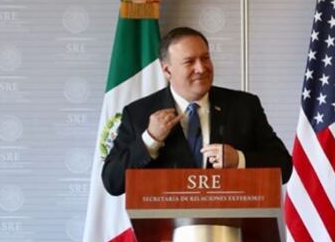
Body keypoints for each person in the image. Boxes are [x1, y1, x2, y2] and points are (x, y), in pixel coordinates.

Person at [102, 27, 292, 196]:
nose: (201, 68)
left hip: (232, 229)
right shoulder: (139, 113)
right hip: (168, 231)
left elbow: (284, 166)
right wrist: (150, 139)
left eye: (205, 58)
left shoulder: (244, 106)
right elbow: (112, 181)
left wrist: (239, 160)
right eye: (189, 62)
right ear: (167, 70)